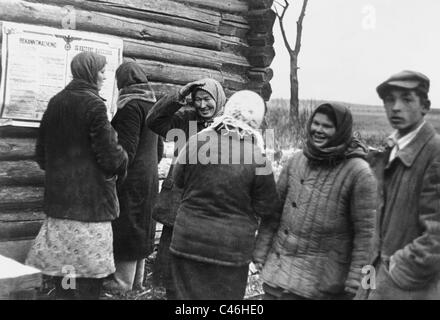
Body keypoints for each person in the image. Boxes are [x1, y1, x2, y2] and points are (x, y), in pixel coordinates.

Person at [26, 51, 128, 300]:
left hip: (61, 203)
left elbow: (41, 154)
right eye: (103, 71)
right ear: (91, 73)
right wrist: (122, 161)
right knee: (89, 275)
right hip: (90, 206)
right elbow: (110, 156)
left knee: (66, 269)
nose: (105, 77)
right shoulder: (94, 104)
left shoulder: (56, 102)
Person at [256, 102, 377, 300]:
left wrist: (358, 284)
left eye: (327, 126)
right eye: (316, 123)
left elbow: (366, 236)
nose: (318, 130)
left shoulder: (358, 172)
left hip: (319, 286)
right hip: (278, 275)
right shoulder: (297, 161)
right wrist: (261, 252)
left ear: (341, 131)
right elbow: (273, 214)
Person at [170, 90, 279, 300]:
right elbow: (267, 206)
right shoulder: (258, 157)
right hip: (230, 250)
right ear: (256, 120)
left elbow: (178, 179)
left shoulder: (196, 141)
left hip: (187, 240)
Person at [358, 70, 440, 300]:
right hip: (375, 277)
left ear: (425, 106)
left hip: (407, 289)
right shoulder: (393, 149)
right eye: (389, 100)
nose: (395, 107)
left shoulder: (435, 154)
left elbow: (436, 238)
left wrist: (394, 271)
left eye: (406, 99)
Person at [147, 78, 226, 299]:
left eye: (207, 99)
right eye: (197, 99)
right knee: (171, 270)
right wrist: (179, 95)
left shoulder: (228, 126)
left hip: (211, 206)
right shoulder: (185, 119)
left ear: (218, 99)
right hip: (179, 204)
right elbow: (153, 121)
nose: (202, 105)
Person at [102, 61, 163, 293]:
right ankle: (137, 281)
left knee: (128, 224)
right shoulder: (152, 104)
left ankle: (122, 283)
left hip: (132, 177)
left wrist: (114, 173)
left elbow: (126, 149)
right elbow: (159, 150)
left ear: (123, 82)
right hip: (149, 176)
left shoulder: (130, 107)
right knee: (143, 224)